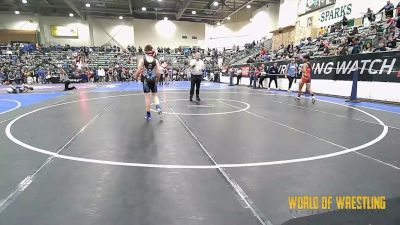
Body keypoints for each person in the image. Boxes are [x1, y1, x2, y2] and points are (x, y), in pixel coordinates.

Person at [135, 45, 162, 121]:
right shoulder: (155, 60)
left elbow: (139, 70)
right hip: (153, 80)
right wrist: (158, 79)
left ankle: (148, 115)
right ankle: (158, 107)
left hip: (146, 80)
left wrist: (136, 77)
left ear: (145, 51)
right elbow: (159, 72)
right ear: (151, 51)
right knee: (155, 95)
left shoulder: (142, 60)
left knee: (147, 98)